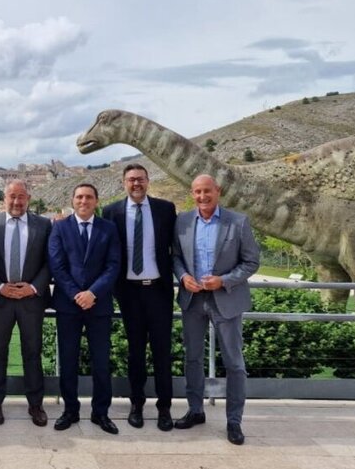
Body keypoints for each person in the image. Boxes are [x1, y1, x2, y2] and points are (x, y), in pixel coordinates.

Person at [172, 174, 260, 446]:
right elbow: (175, 256)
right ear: (192, 194)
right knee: (193, 359)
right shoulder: (183, 221)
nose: (202, 196)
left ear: (217, 191)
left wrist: (224, 281)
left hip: (226, 299)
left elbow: (252, 262)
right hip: (193, 300)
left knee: (234, 363)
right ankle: (195, 410)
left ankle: (234, 421)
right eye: (197, 192)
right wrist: (183, 276)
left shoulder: (238, 222)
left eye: (207, 191)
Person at [103, 164, 177, 431]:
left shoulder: (165, 209)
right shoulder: (112, 211)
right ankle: (136, 405)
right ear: (124, 182)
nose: (136, 184)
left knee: (161, 352)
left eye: (141, 179)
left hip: (158, 290)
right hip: (128, 292)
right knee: (135, 352)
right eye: (131, 179)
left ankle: (165, 409)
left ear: (148, 181)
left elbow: (174, 249)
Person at [47, 183, 121, 434]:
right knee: (68, 360)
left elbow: (113, 265)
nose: (84, 201)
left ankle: (101, 413)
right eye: (79, 196)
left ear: (96, 201)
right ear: (72, 200)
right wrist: (77, 294)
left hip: (98, 305)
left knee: (101, 362)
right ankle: (70, 410)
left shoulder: (108, 228)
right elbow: (57, 266)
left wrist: (93, 293)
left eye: (89, 197)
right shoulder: (60, 227)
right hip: (69, 305)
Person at [0, 180, 52, 427]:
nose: (16, 202)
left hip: (31, 300)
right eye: (12, 196)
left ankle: (36, 405)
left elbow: (49, 262)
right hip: (0, 299)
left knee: (32, 353)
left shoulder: (43, 225)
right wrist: (0, 287)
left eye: (21, 197)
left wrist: (32, 288)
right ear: (4, 198)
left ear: (29, 198)